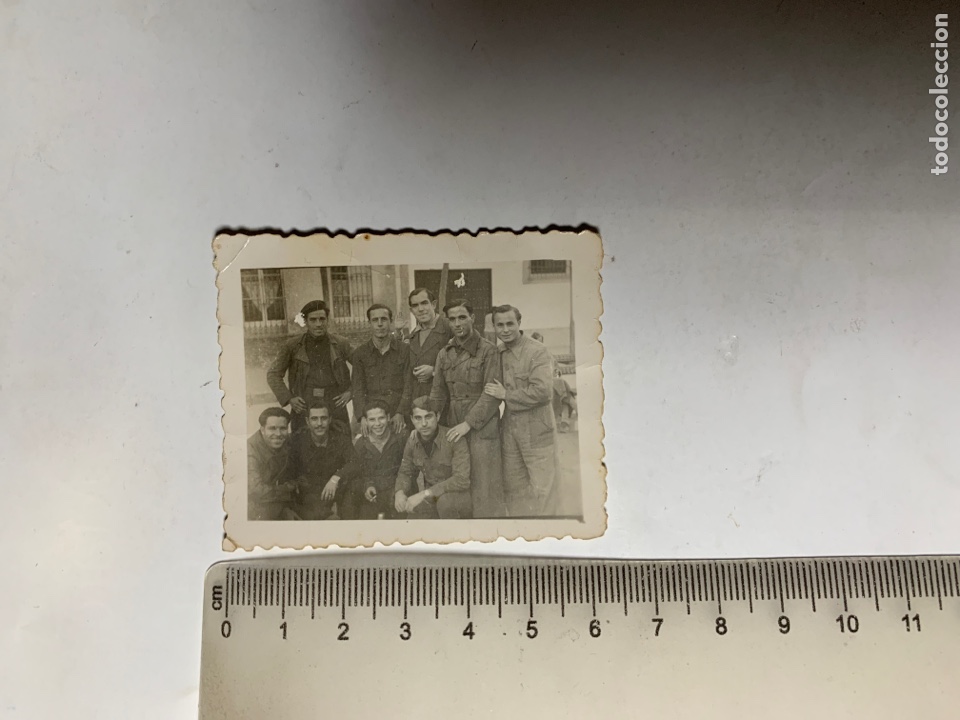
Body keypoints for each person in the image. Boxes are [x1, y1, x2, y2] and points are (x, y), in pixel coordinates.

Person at [430, 299, 506, 518]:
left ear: (473, 318)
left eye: (462, 317)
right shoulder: (444, 353)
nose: (457, 323)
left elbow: (492, 395)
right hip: (453, 424)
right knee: (458, 479)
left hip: (483, 427)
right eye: (452, 319)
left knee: (484, 484)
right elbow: (438, 391)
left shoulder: (488, 351)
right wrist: (433, 418)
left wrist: (468, 423)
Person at [485, 304, 559, 517]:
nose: (505, 329)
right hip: (510, 429)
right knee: (513, 486)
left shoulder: (537, 351)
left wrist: (506, 395)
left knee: (542, 488)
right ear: (494, 327)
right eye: (500, 325)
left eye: (510, 324)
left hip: (537, 428)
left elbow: (544, 391)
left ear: (519, 323)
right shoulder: (497, 352)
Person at [266, 300, 353, 431]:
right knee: (303, 445)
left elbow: (364, 367)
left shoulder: (341, 343)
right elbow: (273, 374)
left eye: (322, 319)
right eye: (313, 320)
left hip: (335, 403)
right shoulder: (292, 345)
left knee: (340, 444)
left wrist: (350, 392)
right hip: (304, 404)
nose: (318, 324)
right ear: (306, 321)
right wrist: (289, 399)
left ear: (327, 320)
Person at [394, 397, 473, 519]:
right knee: (412, 516)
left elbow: (461, 480)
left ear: (438, 416)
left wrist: (425, 494)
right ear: (412, 419)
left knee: (445, 503)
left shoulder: (454, 439)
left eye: (428, 416)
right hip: (431, 497)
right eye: (418, 418)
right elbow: (405, 471)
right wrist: (399, 492)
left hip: (456, 497)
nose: (424, 423)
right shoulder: (413, 440)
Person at [334, 400, 406, 519]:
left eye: (381, 418)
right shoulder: (361, 444)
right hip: (373, 493)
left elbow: (408, 469)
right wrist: (368, 486)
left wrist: (399, 490)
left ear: (388, 417)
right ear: (365, 421)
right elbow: (360, 473)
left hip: (396, 491)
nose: (377, 424)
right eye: (372, 420)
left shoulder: (401, 438)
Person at [288, 400, 357, 520]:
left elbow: (354, 462)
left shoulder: (340, 439)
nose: (319, 423)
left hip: (336, 489)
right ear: (307, 421)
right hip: (311, 494)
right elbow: (291, 473)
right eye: (314, 419)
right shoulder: (298, 442)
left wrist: (335, 478)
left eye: (323, 418)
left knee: (352, 498)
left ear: (330, 419)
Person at [351, 304, 411, 436]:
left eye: (384, 319)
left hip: (397, 413)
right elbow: (357, 388)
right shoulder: (360, 353)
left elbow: (409, 384)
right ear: (369, 324)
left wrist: (401, 412)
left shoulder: (404, 350)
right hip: (371, 414)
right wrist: (362, 417)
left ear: (390, 322)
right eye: (375, 320)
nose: (379, 324)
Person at [406, 288, 454, 418]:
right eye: (415, 306)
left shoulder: (449, 327)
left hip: (445, 400)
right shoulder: (413, 335)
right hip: (419, 403)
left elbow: (464, 364)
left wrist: (434, 372)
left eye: (424, 303)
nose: (420, 309)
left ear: (433, 304)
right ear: (411, 311)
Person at [247, 407, 297, 520]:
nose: (278, 434)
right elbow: (256, 489)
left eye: (283, 428)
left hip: (279, 501)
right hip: (257, 506)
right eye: (272, 429)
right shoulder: (250, 450)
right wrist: (287, 489)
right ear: (262, 429)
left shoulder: (287, 441)